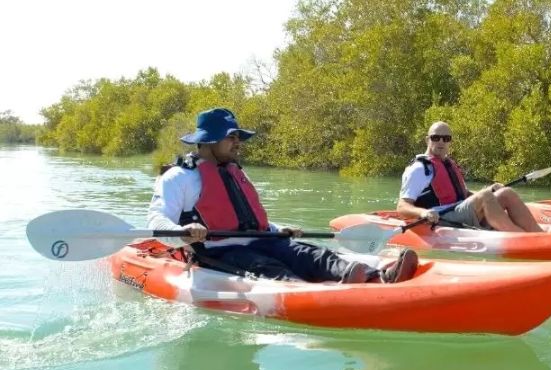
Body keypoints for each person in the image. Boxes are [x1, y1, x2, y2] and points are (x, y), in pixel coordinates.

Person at [148, 107, 418, 283]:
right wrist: (183, 231)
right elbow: (157, 221)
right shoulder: (178, 177)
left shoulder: (235, 172)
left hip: (264, 241)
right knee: (270, 269)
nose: (238, 143)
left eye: (238, 137)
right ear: (208, 140)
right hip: (220, 253)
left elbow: (250, 220)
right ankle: (323, 296)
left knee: (311, 255)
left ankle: (376, 278)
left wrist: (278, 229)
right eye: (231, 137)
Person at [396, 121, 543, 232]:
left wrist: (490, 190)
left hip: (459, 210)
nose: (441, 142)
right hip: (442, 217)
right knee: (485, 196)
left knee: (506, 193)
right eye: (436, 138)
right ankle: (519, 238)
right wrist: (423, 212)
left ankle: (539, 235)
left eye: (446, 138)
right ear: (427, 140)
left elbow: (465, 195)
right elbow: (402, 206)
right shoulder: (419, 169)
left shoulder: (448, 163)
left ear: (450, 142)